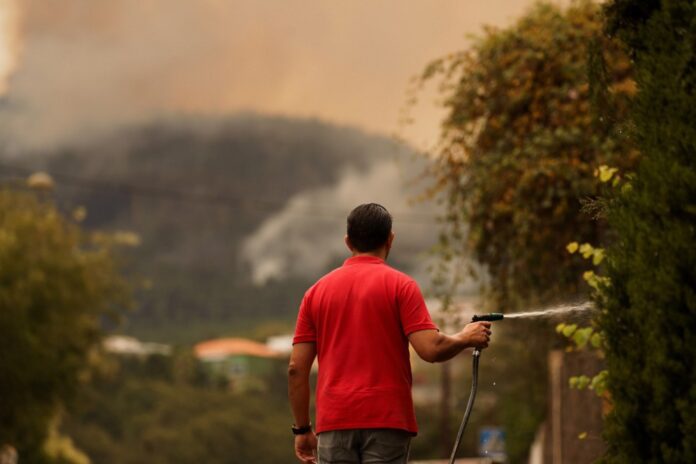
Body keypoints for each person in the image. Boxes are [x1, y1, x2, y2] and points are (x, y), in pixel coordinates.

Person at [288, 203, 491, 464]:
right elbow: (430, 349)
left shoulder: (315, 293)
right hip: (388, 420)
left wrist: (302, 429)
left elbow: (296, 369)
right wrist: (465, 337)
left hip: (335, 421)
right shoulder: (401, 286)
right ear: (390, 239)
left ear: (348, 242)